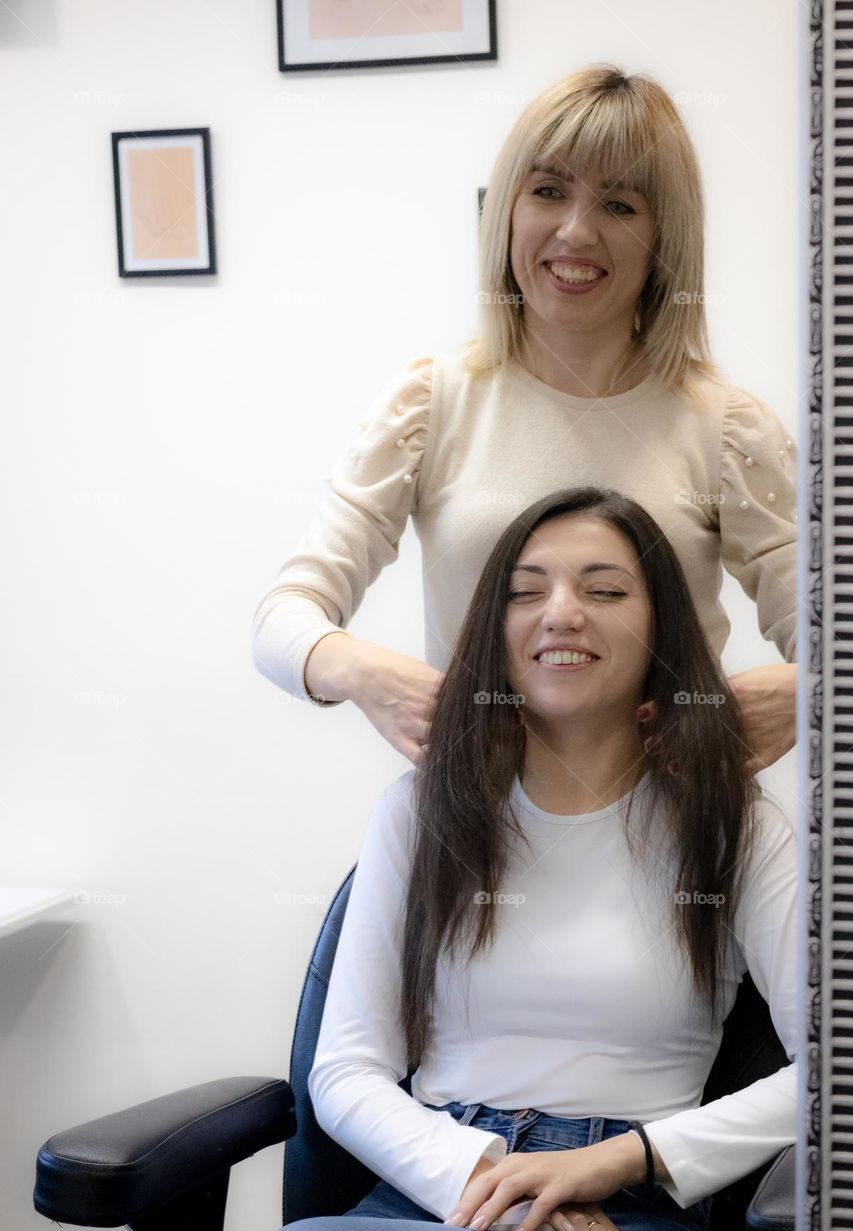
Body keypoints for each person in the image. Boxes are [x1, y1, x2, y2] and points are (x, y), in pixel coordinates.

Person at [237, 487, 797, 1231]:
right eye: (525, 592)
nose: (561, 612)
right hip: (430, 1197)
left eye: (603, 590)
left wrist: (611, 1164)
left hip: (626, 1218)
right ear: (493, 634)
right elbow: (346, 1071)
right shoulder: (420, 812)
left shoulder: (732, 824)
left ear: (660, 628)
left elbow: (828, 1072)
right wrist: (487, 1175)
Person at [251, 64, 798, 777]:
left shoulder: (726, 428)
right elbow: (281, 619)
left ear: (665, 238)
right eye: (546, 191)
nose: (575, 232)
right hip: (475, 836)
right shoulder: (432, 403)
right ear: (506, 210)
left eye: (620, 205)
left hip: (675, 841)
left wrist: (806, 691)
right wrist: (362, 675)